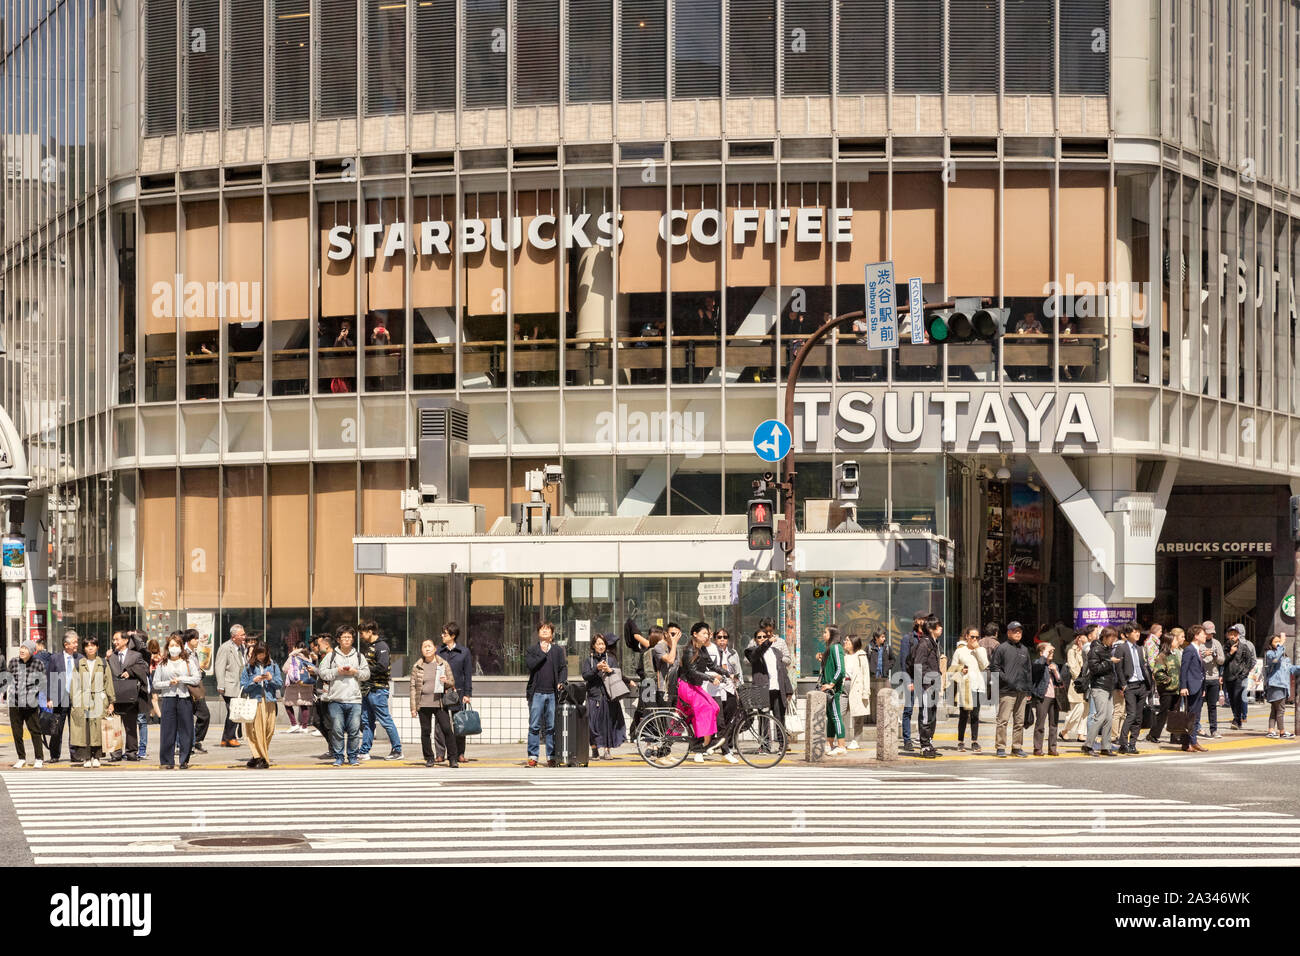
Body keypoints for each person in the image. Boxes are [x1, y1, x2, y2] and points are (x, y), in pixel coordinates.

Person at [319, 626, 370, 766]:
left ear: (353, 639)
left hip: (355, 699)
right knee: (337, 730)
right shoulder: (331, 656)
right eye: (344, 637)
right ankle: (339, 757)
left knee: (354, 730)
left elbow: (366, 675)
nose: (347, 640)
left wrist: (355, 672)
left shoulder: (359, 656)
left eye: (349, 637)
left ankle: (353, 756)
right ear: (338, 640)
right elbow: (322, 673)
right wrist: (337, 671)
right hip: (336, 699)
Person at [154, 632, 201, 769]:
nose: (174, 648)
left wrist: (181, 679)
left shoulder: (188, 662)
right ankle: (167, 761)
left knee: (186, 729)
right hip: (168, 698)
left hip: (184, 697)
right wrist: (169, 683)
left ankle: (184, 759)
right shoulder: (163, 664)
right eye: (171, 645)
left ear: (181, 647)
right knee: (167, 730)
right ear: (167, 647)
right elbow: (156, 683)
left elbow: (196, 678)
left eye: (176, 645)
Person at [409, 637, 459, 767]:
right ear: (421, 650)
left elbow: (452, 682)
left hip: (439, 703)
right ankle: (429, 757)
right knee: (425, 732)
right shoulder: (417, 666)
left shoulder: (443, 664)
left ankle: (453, 758)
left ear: (435, 649)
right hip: (423, 704)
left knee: (447, 729)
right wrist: (413, 708)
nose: (427, 648)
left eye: (429, 646)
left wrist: (446, 681)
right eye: (424, 646)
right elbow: (413, 688)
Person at [358, 622, 403, 762]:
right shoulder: (371, 647)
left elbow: (383, 667)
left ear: (370, 631)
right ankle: (364, 751)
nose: (361, 636)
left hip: (378, 690)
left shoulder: (381, 646)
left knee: (385, 720)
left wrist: (364, 671)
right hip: (368, 689)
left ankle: (397, 750)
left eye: (362, 633)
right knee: (366, 721)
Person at [677, 623, 722, 763]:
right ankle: (699, 748)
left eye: (708, 634)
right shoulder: (689, 650)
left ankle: (706, 744)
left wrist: (728, 674)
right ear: (695, 634)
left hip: (695, 687)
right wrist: (710, 678)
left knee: (714, 707)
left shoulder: (702, 649)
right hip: (686, 686)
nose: (707, 636)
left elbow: (712, 665)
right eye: (704, 633)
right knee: (705, 708)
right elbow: (691, 671)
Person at [525, 621, 567, 767]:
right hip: (536, 693)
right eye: (541, 629)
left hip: (552, 694)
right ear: (538, 633)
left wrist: (562, 681)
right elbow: (530, 665)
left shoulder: (557, 651)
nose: (544, 631)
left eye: (547, 629)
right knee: (534, 726)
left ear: (552, 634)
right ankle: (533, 756)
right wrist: (542, 653)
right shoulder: (532, 650)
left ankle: (551, 756)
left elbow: (563, 668)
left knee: (551, 727)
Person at [69, 635, 114, 767]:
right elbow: (74, 684)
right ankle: (86, 757)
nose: (90, 648)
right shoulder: (79, 664)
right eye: (87, 646)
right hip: (83, 699)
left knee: (98, 728)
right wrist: (75, 702)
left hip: (99, 698)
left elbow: (108, 683)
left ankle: (97, 757)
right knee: (84, 728)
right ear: (84, 648)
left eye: (92, 645)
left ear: (97, 647)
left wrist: (111, 701)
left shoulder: (103, 663)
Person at [581, 634, 628, 760]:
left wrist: (609, 670)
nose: (601, 646)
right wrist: (596, 669)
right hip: (593, 696)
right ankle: (594, 749)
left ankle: (607, 750)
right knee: (592, 725)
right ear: (593, 646)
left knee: (608, 724)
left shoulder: (611, 659)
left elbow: (618, 675)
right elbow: (585, 676)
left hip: (609, 697)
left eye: (603, 644)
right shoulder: (588, 660)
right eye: (598, 644)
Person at [989, 621, 1031, 757]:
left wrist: (1029, 689)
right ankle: (1000, 747)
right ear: (1008, 632)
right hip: (1006, 690)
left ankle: (1016, 747)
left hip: (1022, 691)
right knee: (1003, 720)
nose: (1018, 633)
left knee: (1019, 721)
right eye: (1014, 631)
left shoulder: (1024, 650)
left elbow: (1028, 670)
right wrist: (1006, 679)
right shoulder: (1002, 648)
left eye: (1019, 631)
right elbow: (994, 667)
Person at [107, 630, 149, 762]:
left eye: (117, 639)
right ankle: (115, 753)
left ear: (125, 640)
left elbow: (145, 668)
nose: (115, 642)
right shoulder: (111, 656)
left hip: (130, 695)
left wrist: (130, 672)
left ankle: (131, 752)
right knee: (115, 725)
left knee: (130, 726)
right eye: (113, 640)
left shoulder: (135, 655)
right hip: (115, 695)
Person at [905, 615, 943, 758]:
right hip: (927, 685)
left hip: (933, 685)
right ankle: (924, 745)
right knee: (926, 716)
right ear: (931, 629)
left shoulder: (934, 643)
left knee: (932, 715)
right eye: (938, 626)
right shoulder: (925, 643)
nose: (941, 628)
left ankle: (929, 743)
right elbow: (918, 665)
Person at [437, 622, 474, 763]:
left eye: (445, 634)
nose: (442, 636)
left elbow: (467, 674)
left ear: (452, 636)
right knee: (440, 725)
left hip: (458, 692)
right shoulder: (439, 651)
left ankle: (460, 753)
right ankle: (440, 753)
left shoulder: (463, 652)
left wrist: (467, 694)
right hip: (441, 692)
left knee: (459, 724)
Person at [1082, 627, 1121, 756]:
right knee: (1100, 716)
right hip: (1098, 686)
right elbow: (1095, 669)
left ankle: (1106, 746)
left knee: (1109, 718)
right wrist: (1109, 661)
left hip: (1108, 687)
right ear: (1104, 636)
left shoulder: (1107, 649)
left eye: (1115, 637)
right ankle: (1088, 745)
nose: (1113, 640)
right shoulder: (1095, 649)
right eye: (1112, 637)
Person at [7, 641, 47, 768]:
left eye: (25, 648)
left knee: (35, 731)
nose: (22, 650)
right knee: (17, 732)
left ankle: (39, 758)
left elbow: (43, 682)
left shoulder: (38, 664)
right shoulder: (13, 662)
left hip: (30, 703)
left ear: (31, 651)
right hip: (15, 703)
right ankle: (21, 758)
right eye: (21, 648)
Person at [948, 627, 988, 752]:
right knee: (964, 715)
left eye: (977, 637)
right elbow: (951, 670)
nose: (975, 639)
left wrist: (977, 650)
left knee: (975, 715)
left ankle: (974, 741)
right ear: (966, 637)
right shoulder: (960, 651)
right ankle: (960, 741)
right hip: (965, 686)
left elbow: (985, 665)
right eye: (972, 637)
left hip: (978, 686)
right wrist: (960, 669)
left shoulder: (981, 650)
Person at [45, 631, 83, 764]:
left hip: (75, 698)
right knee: (56, 728)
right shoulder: (55, 658)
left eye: (77, 642)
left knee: (76, 728)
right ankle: (54, 755)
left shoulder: (80, 658)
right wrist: (49, 698)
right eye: (74, 642)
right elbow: (50, 678)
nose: (76, 645)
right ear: (66, 644)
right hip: (59, 698)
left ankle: (75, 754)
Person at [1115, 624, 1153, 755]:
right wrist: (1123, 684)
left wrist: (1148, 685)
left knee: (1138, 717)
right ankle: (1123, 743)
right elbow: (1118, 668)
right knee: (1131, 714)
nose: (1137, 634)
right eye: (1134, 632)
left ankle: (1133, 744)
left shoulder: (1139, 648)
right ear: (1127, 634)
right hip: (1129, 685)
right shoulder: (1121, 648)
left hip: (1141, 684)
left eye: (1138, 631)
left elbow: (1143, 666)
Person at [703, 630, 741, 762]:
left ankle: (725, 750)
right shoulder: (700, 649)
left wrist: (734, 682)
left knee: (724, 722)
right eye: (719, 637)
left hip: (724, 690)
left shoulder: (728, 653)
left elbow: (727, 670)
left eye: (725, 637)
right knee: (708, 721)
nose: (722, 639)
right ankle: (703, 747)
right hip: (706, 690)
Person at [745, 626, 791, 725]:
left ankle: (782, 740)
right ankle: (765, 741)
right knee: (764, 720)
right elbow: (757, 653)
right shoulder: (752, 651)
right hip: (763, 690)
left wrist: (788, 690)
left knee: (780, 720)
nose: (762, 639)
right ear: (755, 640)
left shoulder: (776, 652)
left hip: (778, 690)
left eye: (764, 636)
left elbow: (783, 671)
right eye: (759, 637)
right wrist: (768, 642)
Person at [214, 624, 248, 747]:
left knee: (234, 711)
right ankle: (230, 737)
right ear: (234, 637)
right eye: (242, 635)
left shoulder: (242, 648)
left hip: (240, 685)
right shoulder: (225, 648)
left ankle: (225, 738)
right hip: (229, 685)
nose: (245, 636)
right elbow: (219, 667)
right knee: (233, 711)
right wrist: (221, 685)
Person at [1178, 625, 1209, 752]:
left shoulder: (1197, 649)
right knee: (1191, 715)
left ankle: (1192, 741)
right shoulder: (1189, 650)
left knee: (1196, 715)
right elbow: (1184, 670)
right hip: (1191, 687)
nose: (1205, 636)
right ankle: (1189, 742)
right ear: (1196, 636)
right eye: (1203, 634)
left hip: (1199, 686)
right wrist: (1183, 686)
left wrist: (1203, 687)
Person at [1146, 633, 1181, 744]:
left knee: (1175, 713)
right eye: (1175, 640)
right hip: (1166, 690)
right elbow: (1157, 673)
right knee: (1164, 713)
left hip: (1177, 689)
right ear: (1170, 642)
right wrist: (1168, 680)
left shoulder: (1176, 654)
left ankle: (1175, 737)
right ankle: (1153, 734)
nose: (1177, 642)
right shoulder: (1162, 656)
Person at [897, 613, 925, 752]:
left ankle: (923, 738)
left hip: (925, 678)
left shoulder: (927, 638)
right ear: (917, 621)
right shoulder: (908, 638)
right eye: (923, 619)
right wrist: (907, 680)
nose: (925, 622)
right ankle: (907, 740)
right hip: (911, 678)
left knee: (924, 710)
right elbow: (903, 662)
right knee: (908, 709)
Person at [1029, 643, 1063, 756]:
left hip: (1055, 697)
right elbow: (1036, 668)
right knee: (1040, 723)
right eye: (1049, 652)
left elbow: (1060, 681)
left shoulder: (1054, 665)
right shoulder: (1038, 663)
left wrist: (1055, 672)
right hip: (1042, 696)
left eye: (1052, 652)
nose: (1051, 654)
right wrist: (1045, 654)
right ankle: (1037, 748)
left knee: (1054, 724)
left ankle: (1052, 748)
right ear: (1042, 653)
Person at [818, 625, 847, 755]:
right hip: (827, 687)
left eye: (825, 632)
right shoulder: (830, 649)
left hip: (833, 689)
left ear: (832, 634)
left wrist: (832, 684)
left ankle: (841, 745)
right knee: (830, 716)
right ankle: (830, 744)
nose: (823, 634)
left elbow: (841, 669)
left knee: (835, 715)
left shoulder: (836, 647)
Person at [1263, 635, 1298, 739]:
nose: (1278, 643)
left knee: (1274, 709)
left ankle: (1271, 731)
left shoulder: (1285, 657)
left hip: (1283, 686)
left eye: (1279, 641)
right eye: (1276, 642)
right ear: (1270, 644)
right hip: (1275, 684)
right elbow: (1275, 659)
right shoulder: (1270, 654)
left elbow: (1291, 669)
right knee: (1280, 710)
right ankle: (1282, 732)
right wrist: (1281, 645)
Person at [1223, 624, 1256, 730]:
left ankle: (1237, 720)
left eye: (1234, 634)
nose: (1232, 636)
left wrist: (1244, 674)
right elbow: (1222, 661)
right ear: (1227, 636)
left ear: (1238, 635)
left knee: (1237, 698)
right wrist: (1230, 653)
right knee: (1231, 699)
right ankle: (1236, 718)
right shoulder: (1225, 647)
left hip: (1239, 677)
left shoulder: (1244, 646)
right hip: (1228, 676)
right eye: (1230, 634)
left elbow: (1250, 661)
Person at [183, 629, 211, 753]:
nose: (197, 640)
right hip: (189, 687)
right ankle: (190, 743)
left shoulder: (194, 652)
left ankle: (196, 741)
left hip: (197, 687)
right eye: (195, 638)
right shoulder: (184, 653)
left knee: (204, 715)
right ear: (189, 640)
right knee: (196, 716)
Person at [1061, 629, 1090, 741]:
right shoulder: (1072, 651)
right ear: (1078, 638)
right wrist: (1082, 679)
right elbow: (1073, 668)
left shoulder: (1088, 649)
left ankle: (1081, 734)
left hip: (1087, 684)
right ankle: (1064, 730)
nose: (1086, 638)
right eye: (1084, 636)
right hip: (1077, 684)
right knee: (1076, 710)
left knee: (1085, 711)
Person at [842, 635, 870, 749]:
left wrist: (865, 692)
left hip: (857, 687)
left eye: (847, 640)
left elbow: (865, 674)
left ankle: (856, 740)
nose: (845, 642)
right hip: (844, 685)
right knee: (840, 713)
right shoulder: (843, 656)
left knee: (858, 716)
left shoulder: (861, 656)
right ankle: (840, 739)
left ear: (853, 643)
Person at [1200, 622, 1226, 739]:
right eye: (1208, 633)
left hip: (1214, 677)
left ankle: (1214, 730)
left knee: (1212, 706)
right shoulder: (1199, 643)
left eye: (1212, 633)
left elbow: (1222, 661)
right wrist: (1204, 654)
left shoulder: (1216, 643)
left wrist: (1215, 656)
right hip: (1202, 678)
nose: (1210, 636)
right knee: (1198, 705)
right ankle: (1197, 727)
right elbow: (1196, 659)